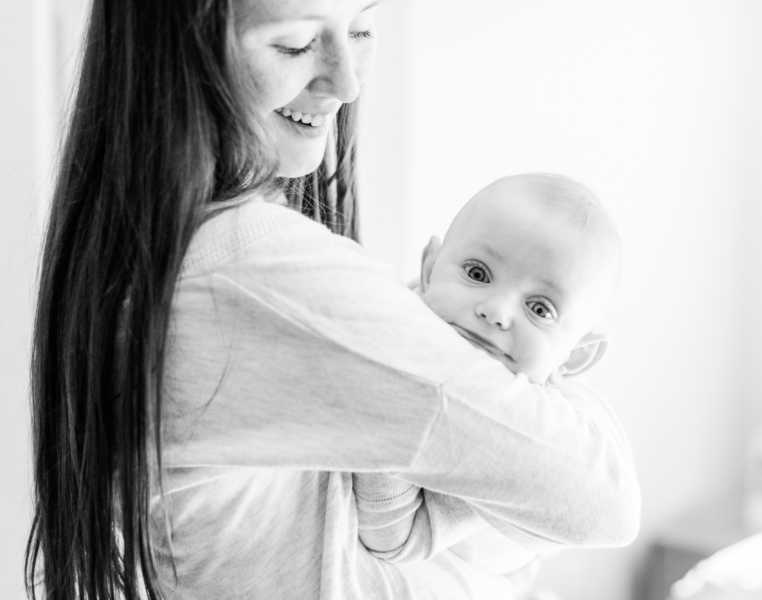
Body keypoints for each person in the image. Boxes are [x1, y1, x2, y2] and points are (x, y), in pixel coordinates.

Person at [25, 1, 641, 599]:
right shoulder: (252, 272)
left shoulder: (156, 248)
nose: (346, 84)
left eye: (363, 29)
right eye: (294, 43)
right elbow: (603, 499)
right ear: (177, 54)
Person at [352, 173, 632, 594]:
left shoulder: (536, 429)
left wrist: (394, 404)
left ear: (574, 356)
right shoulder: (389, 327)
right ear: (429, 270)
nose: (497, 311)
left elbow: (391, 536)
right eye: (478, 273)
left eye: (540, 308)